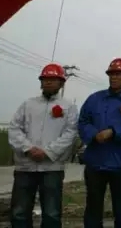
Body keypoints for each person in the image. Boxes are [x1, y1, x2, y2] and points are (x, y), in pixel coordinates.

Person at [77, 58, 121, 228]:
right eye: (112, 74)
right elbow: (83, 122)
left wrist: (114, 132)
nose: (114, 77)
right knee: (93, 210)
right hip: (95, 163)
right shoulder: (94, 99)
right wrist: (94, 135)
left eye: (119, 74)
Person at [8, 63, 79, 228]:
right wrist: (28, 149)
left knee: (52, 213)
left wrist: (48, 152)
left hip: (52, 167)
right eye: (45, 79)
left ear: (61, 83)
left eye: (53, 79)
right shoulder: (28, 104)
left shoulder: (69, 107)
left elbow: (70, 133)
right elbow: (14, 128)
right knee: (19, 212)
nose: (48, 82)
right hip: (25, 167)